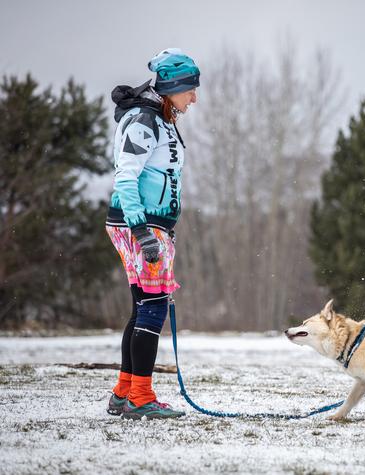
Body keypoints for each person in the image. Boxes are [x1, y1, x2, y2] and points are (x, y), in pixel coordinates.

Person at [104, 48, 199, 420]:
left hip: (143, 223)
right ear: (173, 85)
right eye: (190, 88)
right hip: (140, 225)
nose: (194, 97)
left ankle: (124, 391)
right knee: (153, 308)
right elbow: (125, 176)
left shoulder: (159, 117)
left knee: (142, 307)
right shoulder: (145, 120)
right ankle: (141, 398)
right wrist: (142, 230)